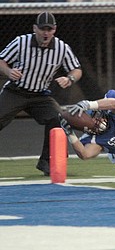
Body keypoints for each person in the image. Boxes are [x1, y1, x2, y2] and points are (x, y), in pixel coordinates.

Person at [0, 12, 82, 176]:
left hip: (40, 95)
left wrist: (69, 79)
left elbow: (77, 69)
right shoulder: (21, 42)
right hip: (16, 91)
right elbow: (1, 60)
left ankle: (48, 161)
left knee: (60, 119)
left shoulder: (61, 48)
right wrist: (9, 71)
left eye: (49, 29)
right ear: (34, 28)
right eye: (42, 29)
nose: (45, 33)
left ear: (54, 30)